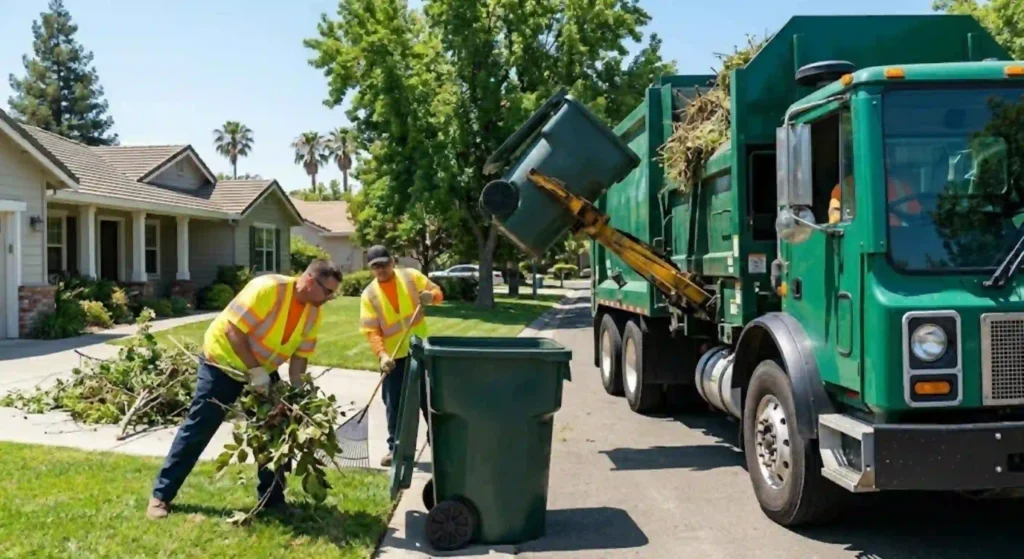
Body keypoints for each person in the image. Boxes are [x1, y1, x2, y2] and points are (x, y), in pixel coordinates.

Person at [146, 259, 343, 520]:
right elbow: (232, 330)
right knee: (199, 428)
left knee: (275, 432)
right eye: (327, 291)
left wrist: (298, 390)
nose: (330, 298)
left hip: (261, 369)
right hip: (223, 362)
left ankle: (273, 500)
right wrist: (255, 371)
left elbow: (300, 356)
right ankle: (161, 496)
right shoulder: (267, 289)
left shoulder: (313, 311)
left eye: (333, 293)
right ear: (309, 279)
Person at [359, 245, 443, 467]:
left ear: (393, 261)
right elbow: (371, 330)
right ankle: (396, 450)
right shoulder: (369, 295)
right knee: (394, 405)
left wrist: (430, 296)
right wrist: (382, 355)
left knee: (430, 400)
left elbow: (439, 293)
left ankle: (440, 445)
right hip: (393, 359)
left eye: (384, 264)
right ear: (371, 268)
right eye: (376, 266)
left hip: (421, 350)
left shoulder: (411, 277)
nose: (381, 269)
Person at [829, 173, 922, 226]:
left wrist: (899, 223)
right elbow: (836, 223)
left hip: (899, 242)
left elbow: (918, 221)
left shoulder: (901, 187)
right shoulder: (843, 189)